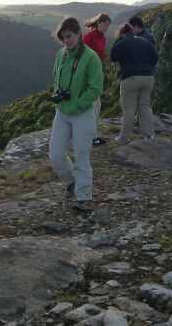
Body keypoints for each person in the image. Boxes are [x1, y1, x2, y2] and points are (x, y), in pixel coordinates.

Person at [49, 17, 104, 212]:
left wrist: (78, 104)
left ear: (79, 34)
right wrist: (57, 95)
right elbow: (56, 78)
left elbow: (95, 88)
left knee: (81, 155)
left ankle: (84, 197)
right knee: (55, 155)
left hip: (83, 113)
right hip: (62, 112)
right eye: (63, 38)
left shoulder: (90, 57)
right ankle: (72, 181)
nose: (66, 41)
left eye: (69, 36)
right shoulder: (61, 55)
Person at [110, 23, 159, 143]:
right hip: (148, 77)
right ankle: (149, 135)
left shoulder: (121, 43)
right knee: (145, 106)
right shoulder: (145, 41)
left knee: (129, 109)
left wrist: (117, 42)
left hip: (130, 78)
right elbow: (155, 57)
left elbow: (113, 57)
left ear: (122, 34)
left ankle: (124, 137)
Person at [83, 13, 111, 146]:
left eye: (108, 26)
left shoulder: (102, 37)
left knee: (96, 106)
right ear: (98, 23)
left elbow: (100, 53)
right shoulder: (89, 37)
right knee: (94, 106)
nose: (106, 28)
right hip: (89, 75)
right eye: (104, 24)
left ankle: (92, 136)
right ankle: (92, 137)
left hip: (97, 74)